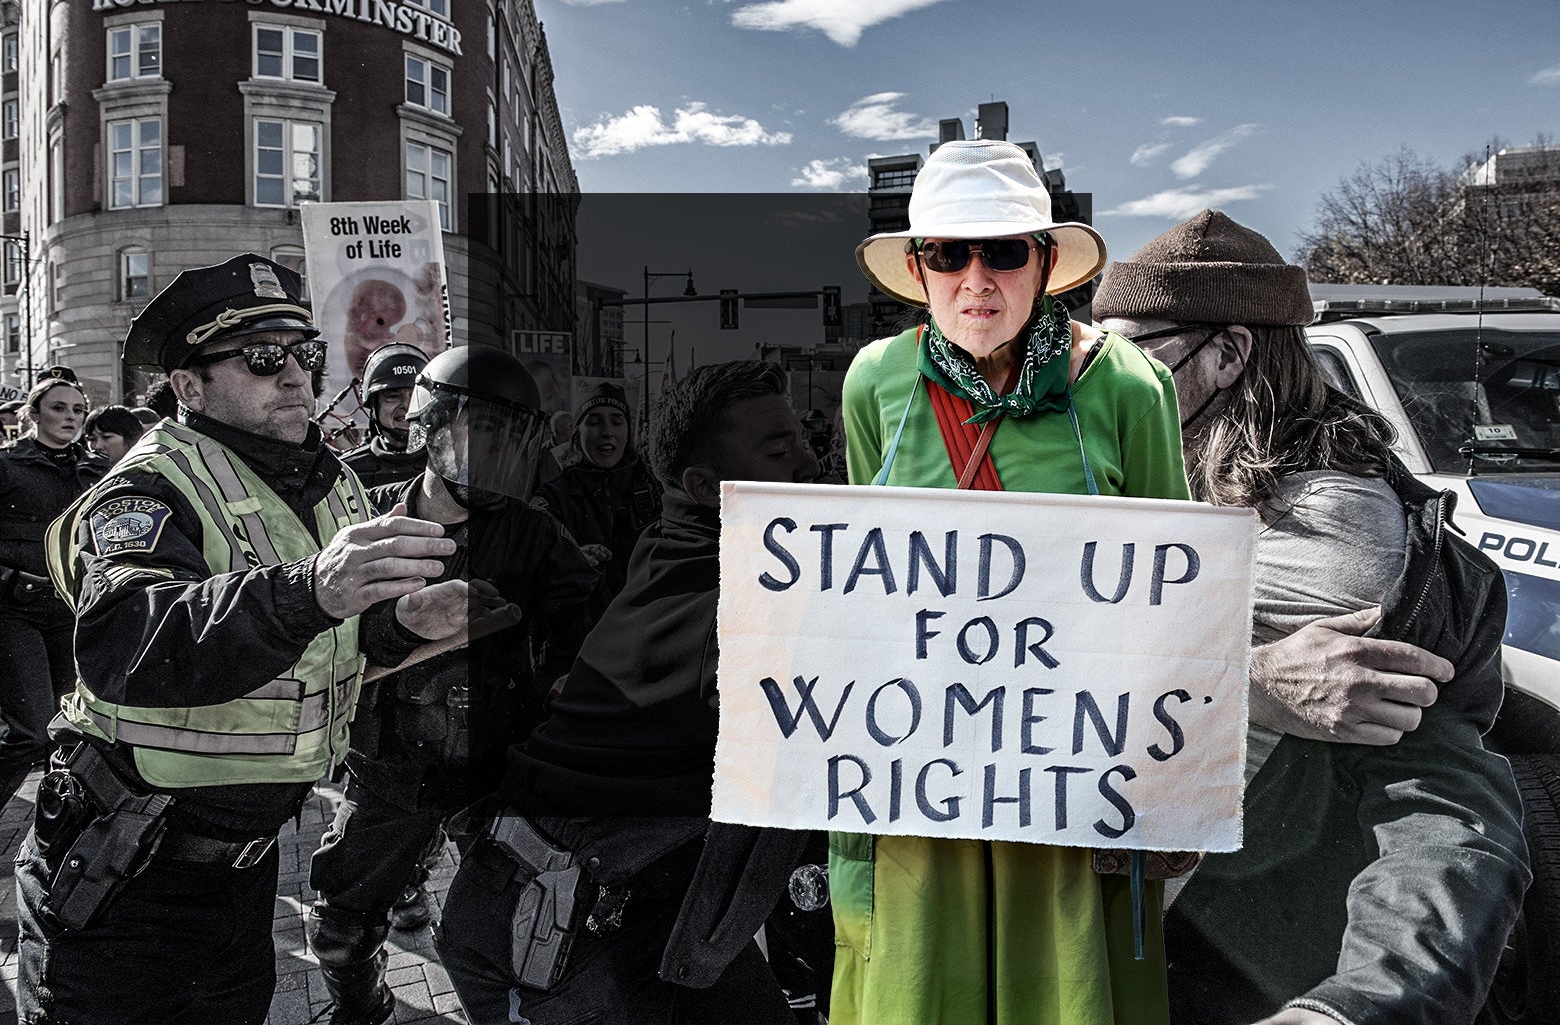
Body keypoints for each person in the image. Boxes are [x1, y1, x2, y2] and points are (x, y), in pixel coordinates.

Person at [14, 253, 484, 1025]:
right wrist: (316, 588)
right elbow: (129, 641)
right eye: (264, 360)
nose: (296, 377)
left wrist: (402, 626)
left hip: (247, 873)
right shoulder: (146, 487)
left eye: (306, 355)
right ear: (191, 388)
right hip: (123, 872)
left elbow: (324, 641)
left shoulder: (327, 479)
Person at [1092, 210, 1530, 1025]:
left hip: (1214, 957)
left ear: (1227, 354)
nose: (1098, 381)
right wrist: (1246, 677)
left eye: (1126, 353)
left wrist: (1351, 1007)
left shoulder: (1324, 526)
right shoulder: (1164, 481)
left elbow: (1436, 794)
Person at [832, 138, 1189, 1025]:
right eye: (948, 254)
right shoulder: (874, 380)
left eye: (1003, 251)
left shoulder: (1128, 387)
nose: (975, 279)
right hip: (917, 783)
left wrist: (1172, 793)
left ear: (1046, 263)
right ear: (918, 267)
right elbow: (857, 586)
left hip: (1070, 787)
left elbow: (1175, 604)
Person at [439, 360, 821, 1025]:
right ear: (706, 485)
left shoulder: (685, 535)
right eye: (777, 449)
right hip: (548, 928)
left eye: (800, 439)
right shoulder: (738, 612)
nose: (811, 462)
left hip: (669, 909)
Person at [307, 345, 599, 1025]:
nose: (499, 448)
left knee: (522, 919)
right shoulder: (367, 521)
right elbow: (315, 626)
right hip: (390, 766)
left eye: (513, 432)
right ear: (434, 427)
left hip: (497, 764)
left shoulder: (533, 533)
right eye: (483, 426)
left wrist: (566, 687)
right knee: (344, 925)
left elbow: (587, 629)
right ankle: (364, 1008)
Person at [0, 378, 107, 807]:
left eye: (78, 410)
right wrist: (9, 578)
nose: (70, 418)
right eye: (59, 408)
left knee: (70, 730)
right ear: (34, 414)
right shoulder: (8, 465)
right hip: (13, 612)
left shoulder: (95, 468)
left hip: (72, 612)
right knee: (31, 730)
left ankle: (57, 825)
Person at [532, 381, 662, 615]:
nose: (607, 432)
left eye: (616, 421)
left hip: (642, 629)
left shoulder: (653, 489)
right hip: (579, 640)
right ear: (577, 432)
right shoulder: (554, 496)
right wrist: (571, 558)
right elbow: (532, 564)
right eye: (594, 422)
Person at [339, 341, 431, 488]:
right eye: (393, 396)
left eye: (416, 395)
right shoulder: (345, 473)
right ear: (374, 406)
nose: (407, 406)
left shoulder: (451, 466)